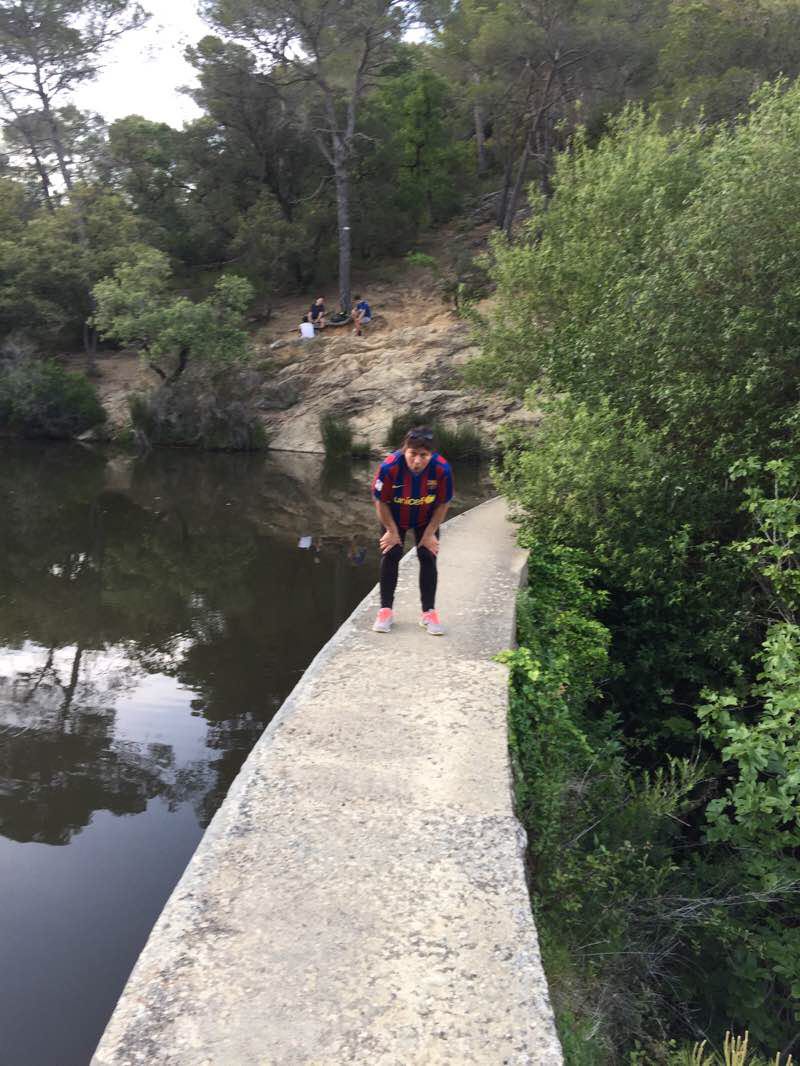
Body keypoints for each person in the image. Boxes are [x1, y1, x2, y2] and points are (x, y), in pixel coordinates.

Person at [371, 425, 454, 635]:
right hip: (394, 515)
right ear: (404, 450)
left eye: (424, 455)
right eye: (413, 454)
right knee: (391, 553)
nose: (417, 461)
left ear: (431, 454)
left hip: (425, 516)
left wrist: (429, 534)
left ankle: (429, 613)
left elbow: (443, 503)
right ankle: (385, 611)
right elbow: (380, 501)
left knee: (428, 555)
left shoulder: (442, 469)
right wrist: (390, 531)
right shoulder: (390, 466)